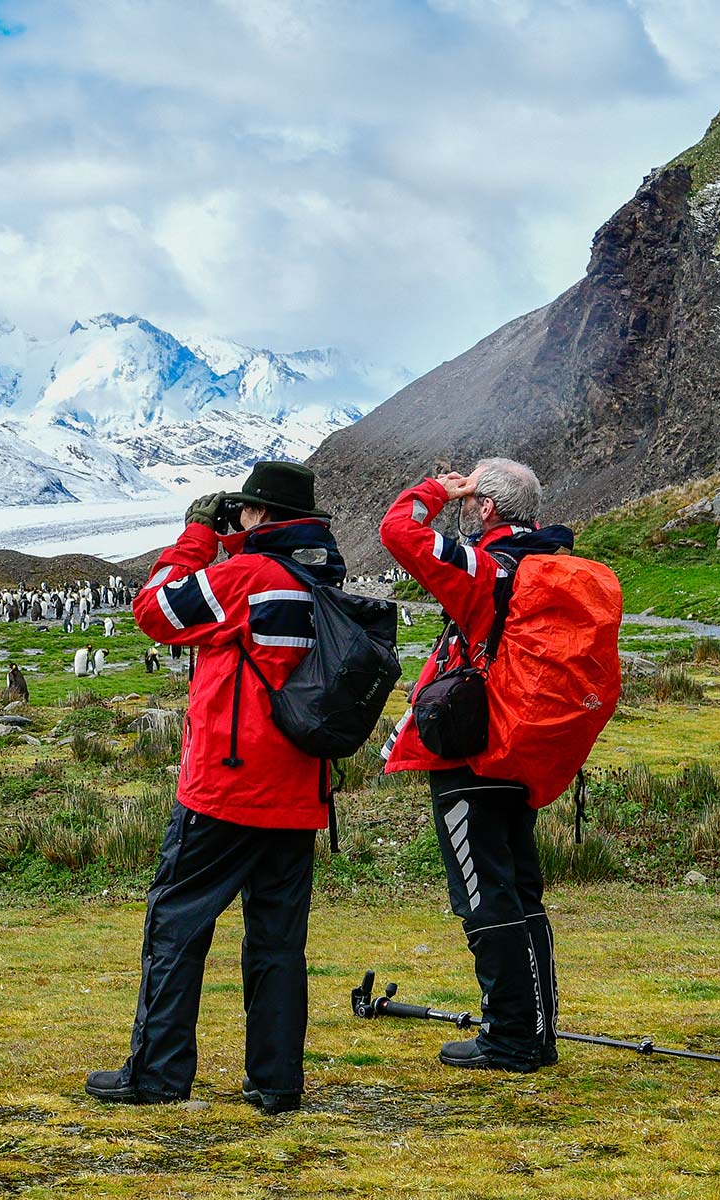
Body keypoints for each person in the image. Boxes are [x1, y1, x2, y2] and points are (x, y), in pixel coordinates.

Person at [87, 461, 342, 1116]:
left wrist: (199, 535)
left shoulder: (247, 576)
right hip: (296, 791)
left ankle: (158, 1074)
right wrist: (235, 542)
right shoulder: (319, 578)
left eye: (246, 512)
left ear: (259, 516)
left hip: (227, 791)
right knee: (277, 941)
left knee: (176, 926)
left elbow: (157, 611)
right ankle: (277, 1081)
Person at [378, 458, 572, 1073]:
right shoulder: (545, 564)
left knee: (483, 893)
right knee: (520, 889)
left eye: (471, 497)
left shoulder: (487, 568)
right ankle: (536, 1029)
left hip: (473, 749)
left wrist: (437, 490)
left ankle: (510, 1034)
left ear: (485, 507)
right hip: (522, 748)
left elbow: (399, 532)